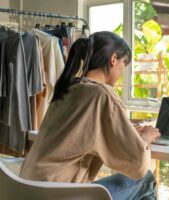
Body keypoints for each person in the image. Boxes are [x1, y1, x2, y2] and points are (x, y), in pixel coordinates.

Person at [20, 31, 161, 200]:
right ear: (113, 59)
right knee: (146, 180)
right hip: (58, 194)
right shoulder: (102, 94)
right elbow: (138, 165)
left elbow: (81, 131)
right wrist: (145, 138)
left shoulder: (69, 87)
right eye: (124, 65)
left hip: (28, 188)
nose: (122, 72)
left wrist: (128, 131)